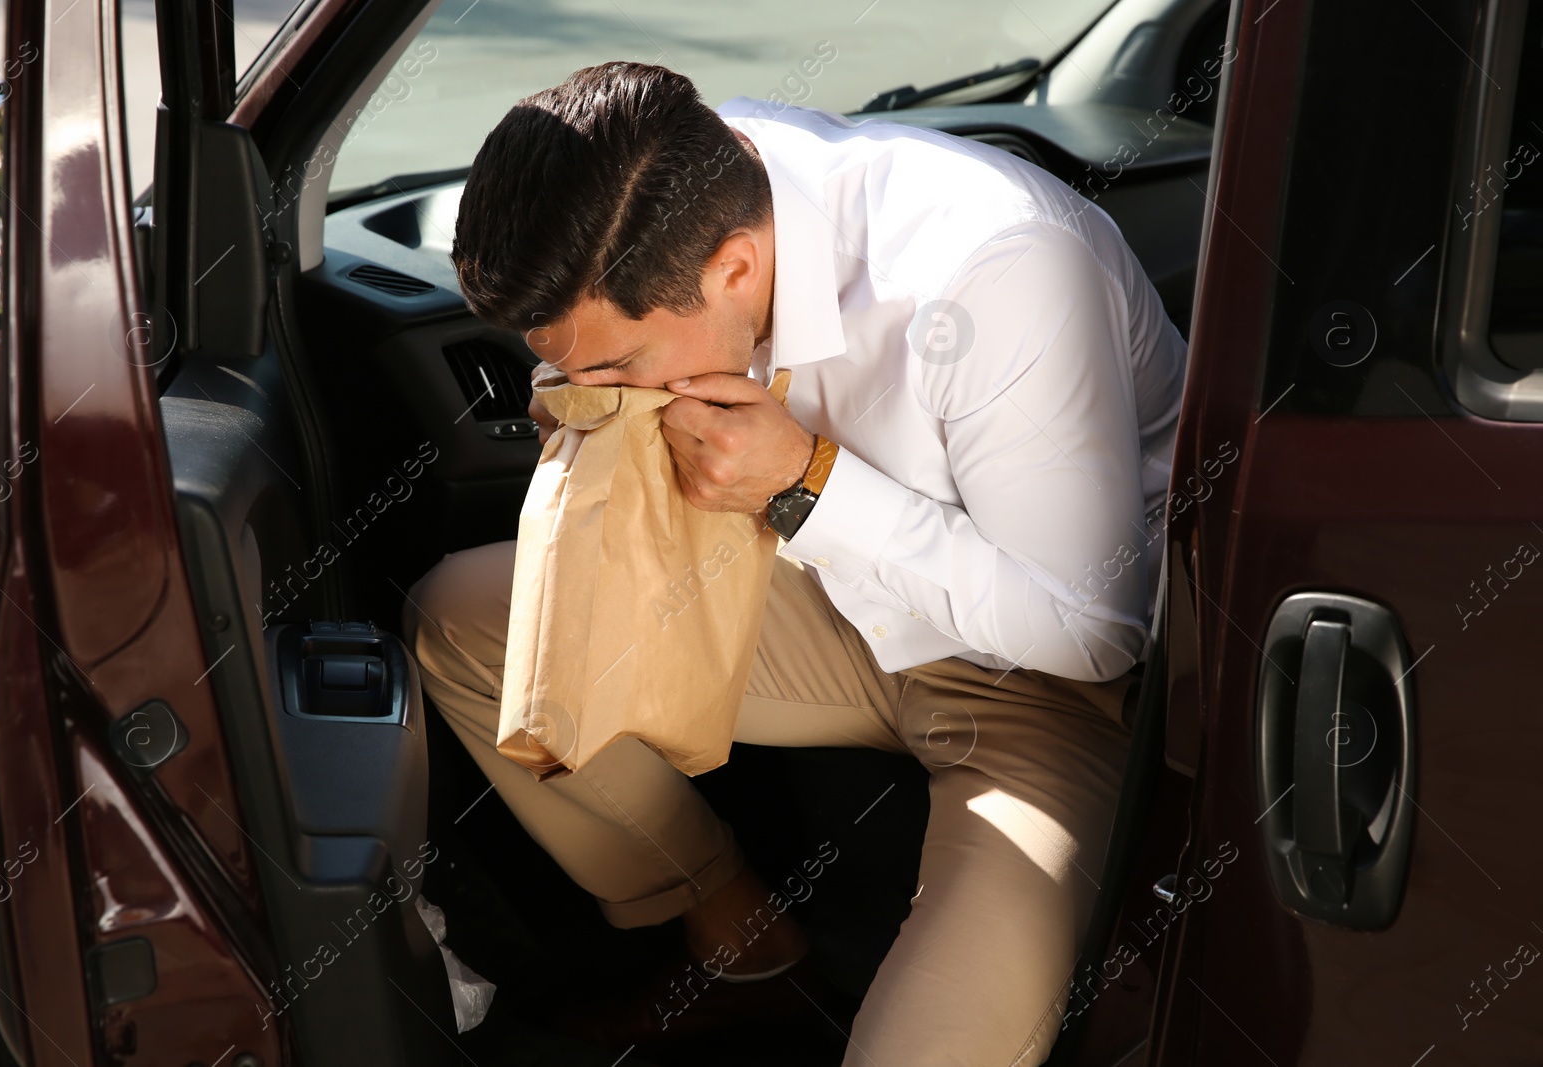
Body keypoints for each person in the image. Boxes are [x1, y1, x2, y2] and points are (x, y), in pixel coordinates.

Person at [403, 60, 1186, 1066]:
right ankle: (742, 947)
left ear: (732, 270)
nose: (568, 386)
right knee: (462, 619)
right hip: (829, 604)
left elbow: (1092, 626)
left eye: (607, 366)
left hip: (1044, 681)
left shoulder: (991, 268)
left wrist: (804, 483)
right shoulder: (676, 184)